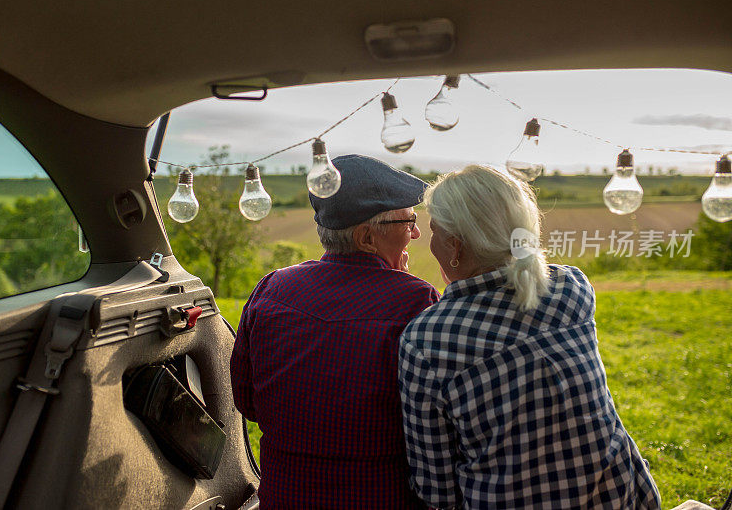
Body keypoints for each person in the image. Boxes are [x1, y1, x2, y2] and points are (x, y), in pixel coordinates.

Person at [399, 165, 661, 509]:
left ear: (455, 246)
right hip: (623, 498)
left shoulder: (427, 339)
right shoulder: (572, 287)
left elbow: (437, 491)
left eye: (433, 230)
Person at [230, 154, 441, 509]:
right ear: (366, 237)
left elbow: (247, 402)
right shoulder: (415, 301)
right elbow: (432, 428)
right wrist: (402, 283)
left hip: (284, 498)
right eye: (409, 221)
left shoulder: (273, 287)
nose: (417, 232)